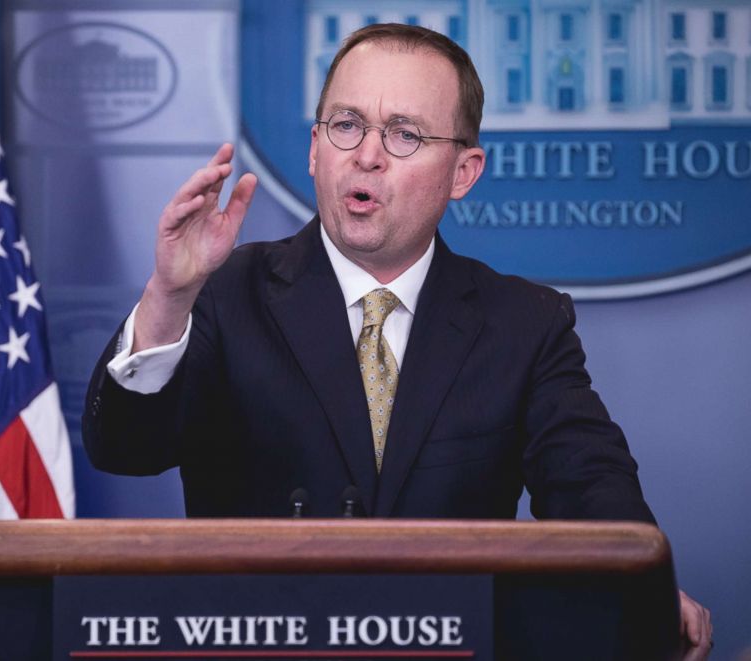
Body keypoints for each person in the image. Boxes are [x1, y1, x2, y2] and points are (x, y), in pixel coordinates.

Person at [82, 23, 711, 656]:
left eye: (404, 134)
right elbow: (125, 449)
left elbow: (589, 483)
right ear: (314, 149)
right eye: (347, 125)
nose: (367, 155)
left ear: (463, 172)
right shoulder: (225, 290)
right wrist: (168, 296)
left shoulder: (523, 323)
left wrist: (643, 580)